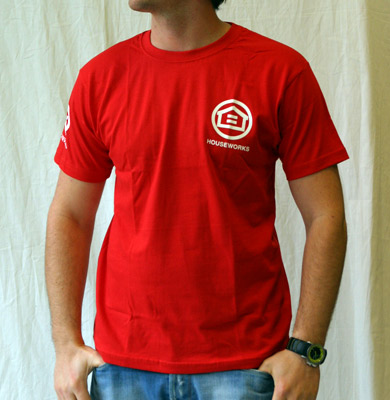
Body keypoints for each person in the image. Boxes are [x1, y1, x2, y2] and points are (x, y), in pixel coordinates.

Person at [45, 0, 349, 399]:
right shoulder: (101, 78)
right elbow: (70, 215)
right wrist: (65, 343)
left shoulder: (279, 71)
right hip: (124, 368)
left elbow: (326, 215)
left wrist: (306, 351)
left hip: (244, 366)